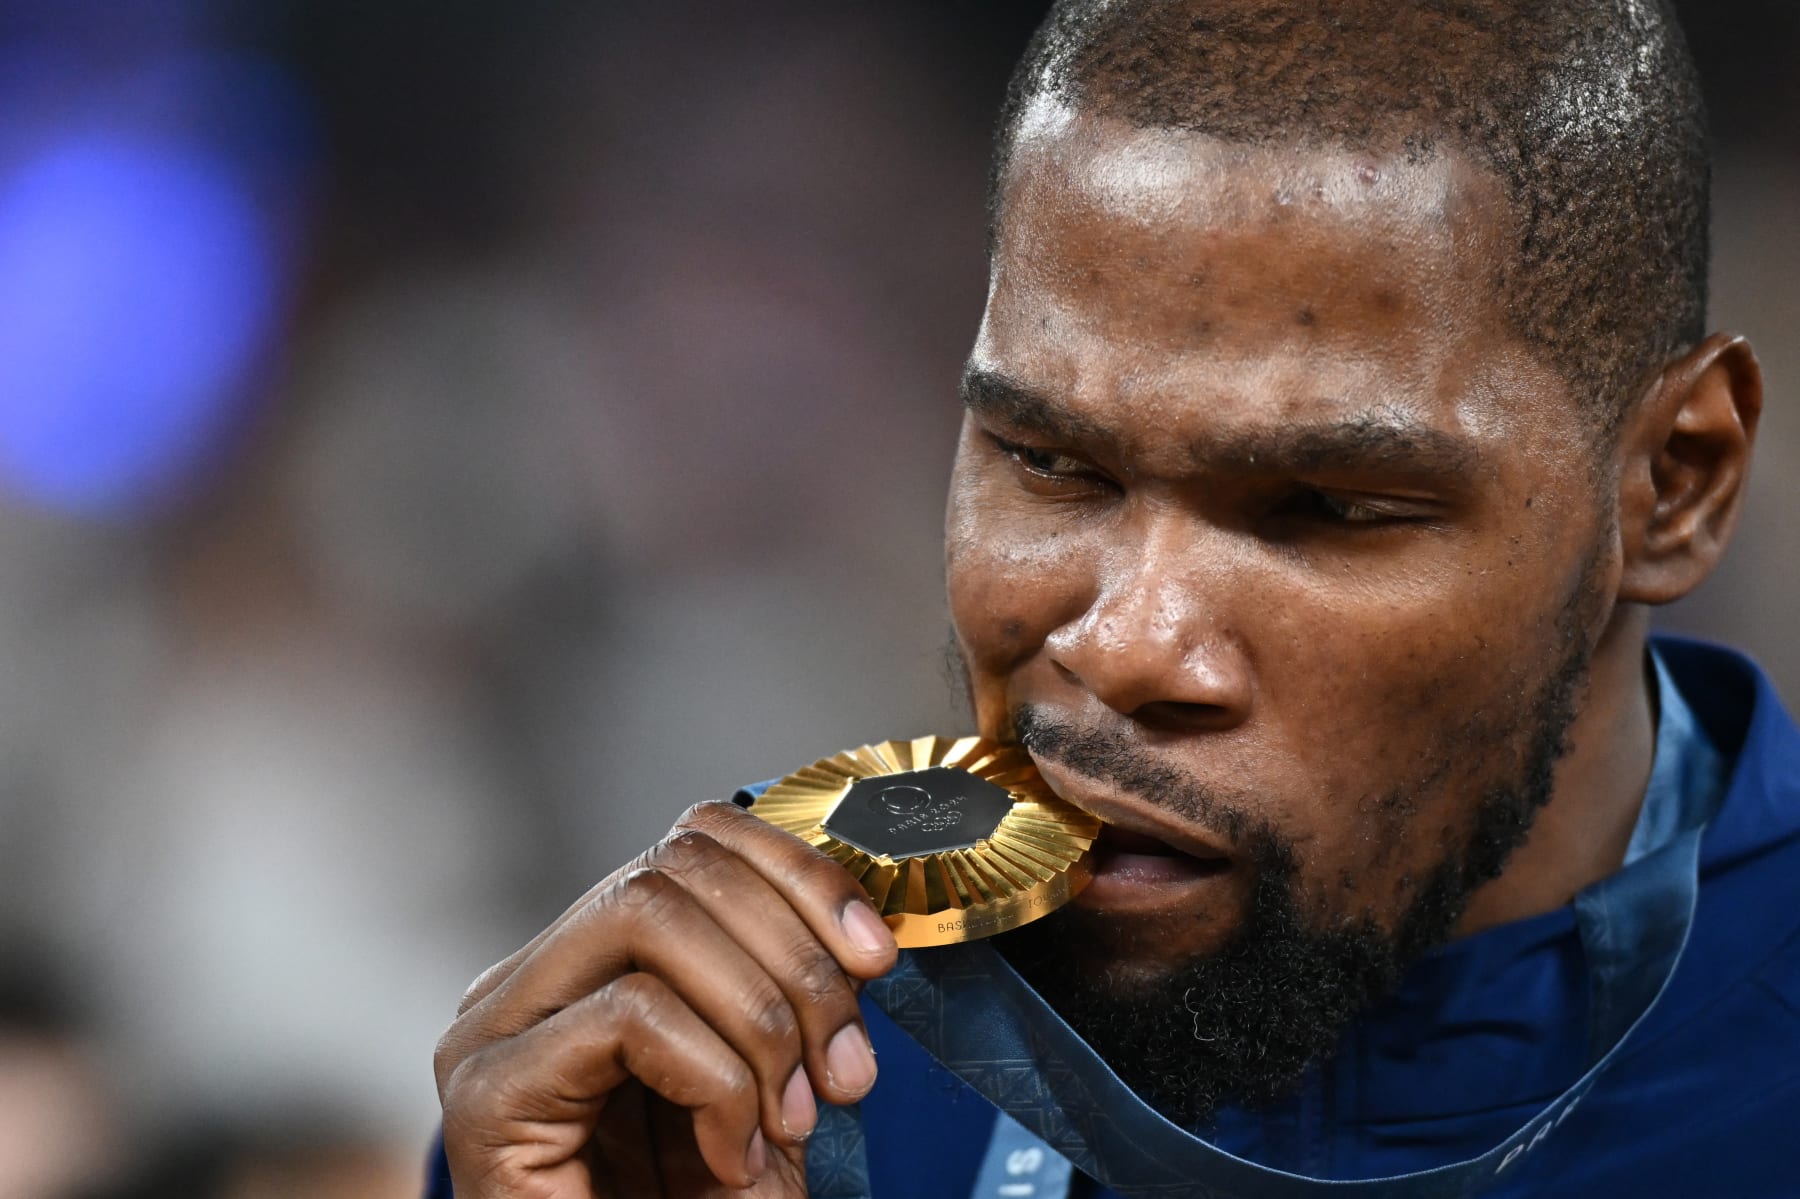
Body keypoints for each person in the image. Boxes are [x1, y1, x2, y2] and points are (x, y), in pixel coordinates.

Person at [428, 1, 1798, 1195]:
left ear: (1673, 485)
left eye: (1326, 505)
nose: (1129, 646)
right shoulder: (713, 1081)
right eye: (1050, 461)